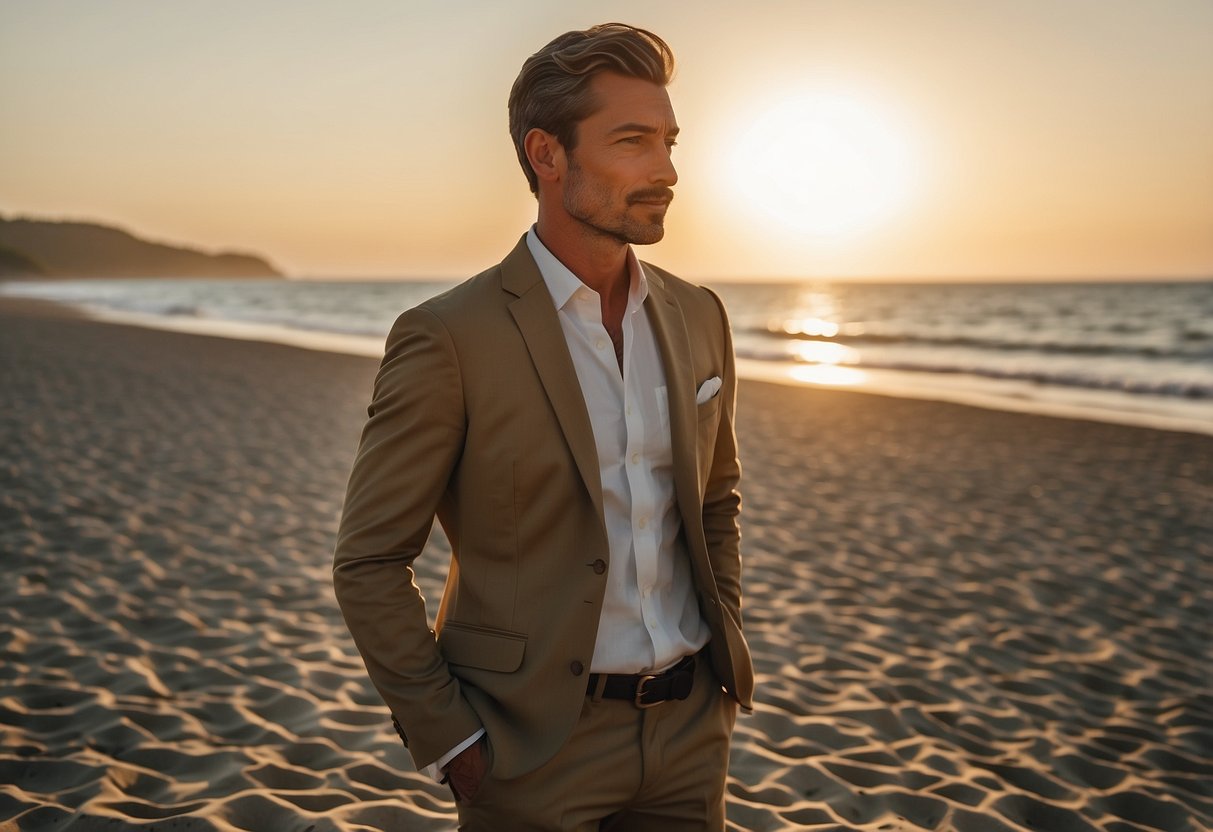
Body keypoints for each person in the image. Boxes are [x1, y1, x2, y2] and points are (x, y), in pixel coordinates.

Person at [332, 22, 754, 831]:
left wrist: (719, 656)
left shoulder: (699, 315)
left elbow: (715, 501)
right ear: (546, 155)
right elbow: (369, 559)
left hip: (690, 733)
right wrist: (445, 733)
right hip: (530, 749)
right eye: (631, 141)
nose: (666, 170)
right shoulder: (449, 336)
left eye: (669, 141)